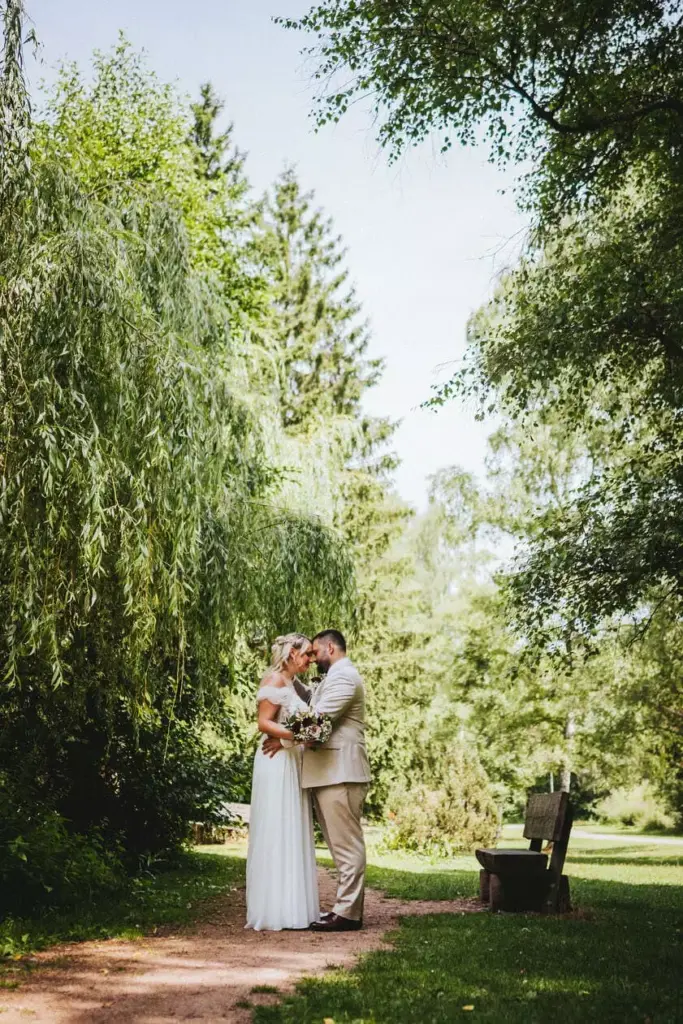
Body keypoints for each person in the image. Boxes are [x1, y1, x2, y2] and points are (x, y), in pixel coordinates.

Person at [263, 629, 371, 931]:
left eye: (315, 652)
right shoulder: (334, 677)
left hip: (341, 772)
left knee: (347, 846)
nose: (312, 657)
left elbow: (318, 724)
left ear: (331, 648)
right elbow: (310, 702)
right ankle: (345, 909)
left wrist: (281, 741)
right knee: (340, 846)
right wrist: (287, 672)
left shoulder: (345, 677)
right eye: (306, 653)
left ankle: (348, 913)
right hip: (330, 772)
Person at [245, 633, 320, 931]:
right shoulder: (274, 680)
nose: (310, 660)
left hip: (289, 759)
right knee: (277, 828)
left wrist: (294, 738)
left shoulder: (290, 684)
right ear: (291, 653)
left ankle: (292, 907)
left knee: (291, 827)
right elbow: (263, 723)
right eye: (306, 654)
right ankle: (274, 908)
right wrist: (298, 736)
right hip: (275, 763)